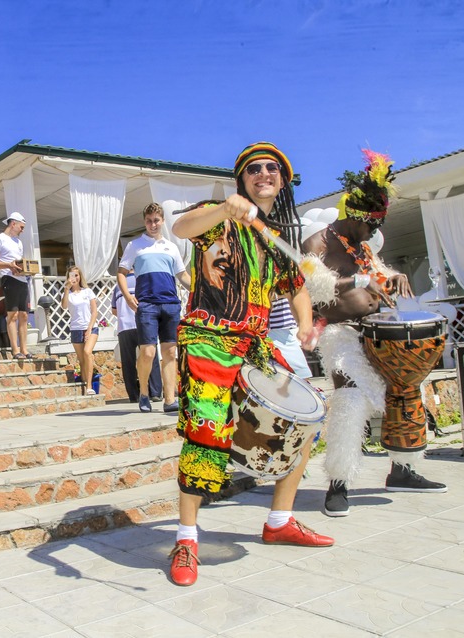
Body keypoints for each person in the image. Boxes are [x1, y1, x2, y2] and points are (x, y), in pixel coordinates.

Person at [168, 142, 333, 587]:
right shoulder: (216, 213)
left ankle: (279, 521)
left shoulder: (276, 236)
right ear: (241, 179)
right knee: (206, 434)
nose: (263, 174)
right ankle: (186, 540)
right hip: (209, 339)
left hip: (255, 344)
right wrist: (224, 209)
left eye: (272, 169)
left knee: (308, 417)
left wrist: (303, 325)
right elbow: (182, 227)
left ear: (282, 181)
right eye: (254, 169)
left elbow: (296, 287)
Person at [301, 149, 446, 518]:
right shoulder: (318, 243)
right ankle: (339, 483)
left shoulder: (363, 247)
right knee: (350, 396)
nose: (375, 232)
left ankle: (403, 470)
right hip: (339, 332)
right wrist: (363, 279)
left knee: (404, 388)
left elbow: (378, 274)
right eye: (372, 224)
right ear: (356, 215)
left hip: (376, 331)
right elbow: (316, 287)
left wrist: (391, 276)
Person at [118, 203, 190, 413]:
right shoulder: (134, 245)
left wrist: (199, 290)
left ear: (162, 221)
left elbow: (182, 275)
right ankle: (144, 392)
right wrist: (127, 295)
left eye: (156, 220)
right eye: (149, 220)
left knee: (169, 352)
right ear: (145, 221)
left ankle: (169, 400)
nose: (152, 224)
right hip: (147, 305)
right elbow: (121, 272)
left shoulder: (171, 247)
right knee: (148, 353)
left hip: (170, 304)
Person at [111, 271, 162, 402]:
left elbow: (114, 310)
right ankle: (155, 392)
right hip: (144, 324)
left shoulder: (118, 286)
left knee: (128, 362)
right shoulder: (144, 280)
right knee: (151, 357)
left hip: (124, 327)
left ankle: (133, 395)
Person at [0, 211, 31, 359]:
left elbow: (17, 262)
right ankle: (15, 349)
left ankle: (25, 349)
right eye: (21, 227)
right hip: (8, 278)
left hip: (22, 279)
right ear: (13, 224)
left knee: (24, 315)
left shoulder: (19, 242)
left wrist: (27, 270)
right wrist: (8, 265)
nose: (22, 230)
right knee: (13, 315)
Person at [61, 265, 100, 395]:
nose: (74, 278)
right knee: (82, 359)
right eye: (71, 275)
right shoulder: (68, 293)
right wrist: (66, 288)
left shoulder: (87, 291)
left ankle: (89, 386)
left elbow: (94, 312)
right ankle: (85, 384)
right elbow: (64, 306)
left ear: (80, 276)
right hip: (75, 328)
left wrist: (89, 329)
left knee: (87, 352)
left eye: (76, 275)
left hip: (90, 327)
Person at [268, 297, 313, 378]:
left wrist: (304, 325)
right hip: (247, 327)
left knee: (299, 379)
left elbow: (296, 294)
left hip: (280, 330)